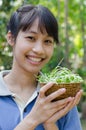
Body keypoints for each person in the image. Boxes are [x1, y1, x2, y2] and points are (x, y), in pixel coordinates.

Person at [0, 4, 83, 130]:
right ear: (11, 38)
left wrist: (50, 125)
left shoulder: (61, 95)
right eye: (31, 38)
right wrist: (33, 119)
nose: (39, 50)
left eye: (47, 41)